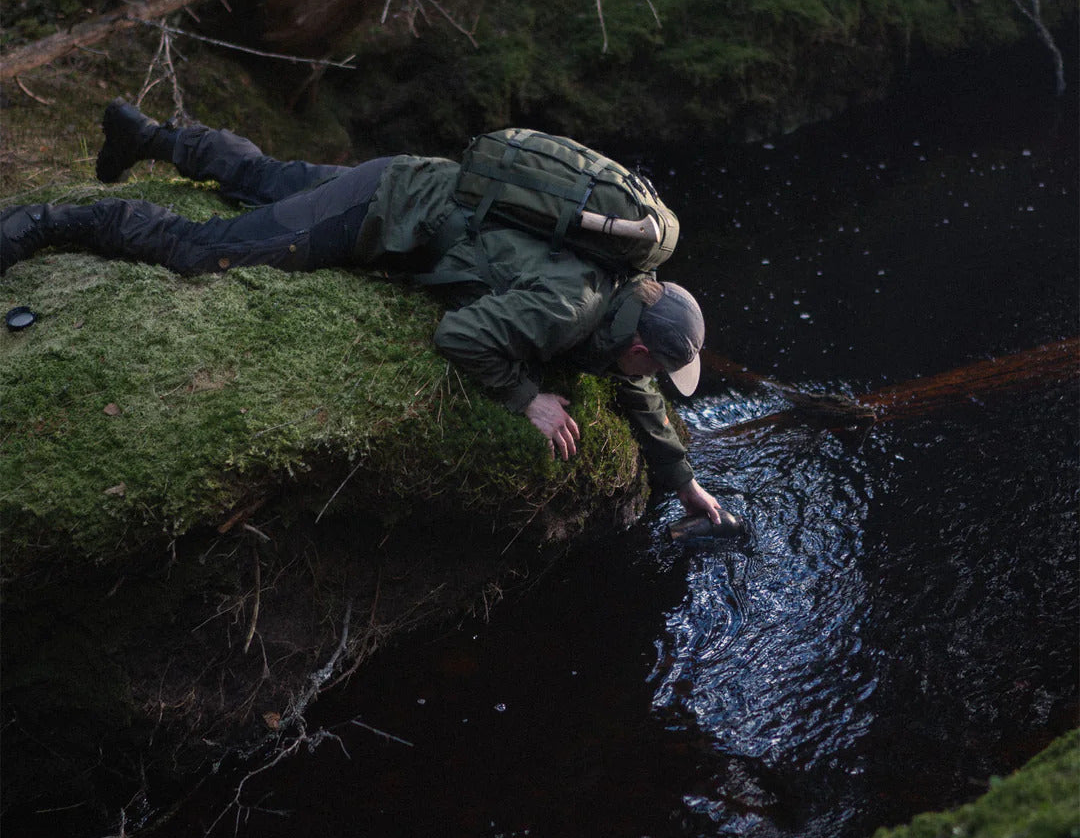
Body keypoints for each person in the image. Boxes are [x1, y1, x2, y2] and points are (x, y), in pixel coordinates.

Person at [2, 101, 724, 522]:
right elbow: (461, 335)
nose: (649, 377)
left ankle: (150, 136)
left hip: (416, 182)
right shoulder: (569, 308)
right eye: (659, 366)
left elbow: (637, 392)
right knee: (210, 250)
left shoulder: (626, 297)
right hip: (379, 214)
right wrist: (526, 397)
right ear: (641, 346)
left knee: (266, 180)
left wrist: (682, 481)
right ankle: (47, 223)